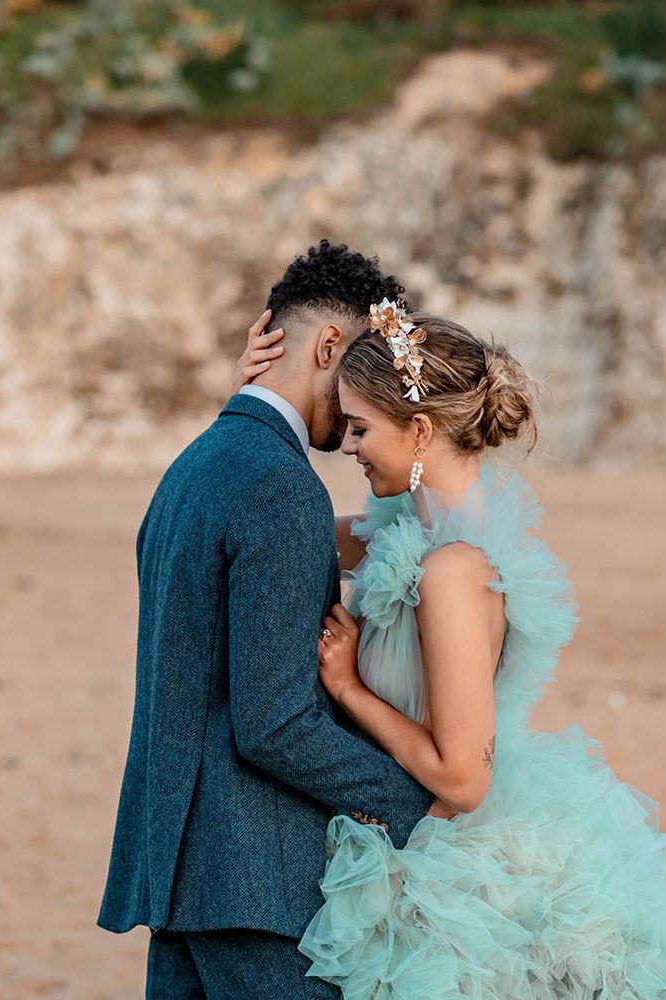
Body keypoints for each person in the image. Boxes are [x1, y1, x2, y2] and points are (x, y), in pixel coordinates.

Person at [238, 300, 666, 999]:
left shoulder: (453, 569)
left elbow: (464, 780)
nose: (346, 445)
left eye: (361, 428)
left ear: (422, 430)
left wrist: (349, 691)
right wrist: (254, 403)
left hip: (463, 864)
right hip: (422, 832)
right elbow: (282, 522)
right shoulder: (409, 531)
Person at [96, 241, 436, 999]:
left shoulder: (191, 469)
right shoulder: (280, 486)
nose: (361, 405)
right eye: (361, 366)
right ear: (327, 346)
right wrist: (416, 806)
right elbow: (274, 722)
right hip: (256, 879)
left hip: (179, 874)